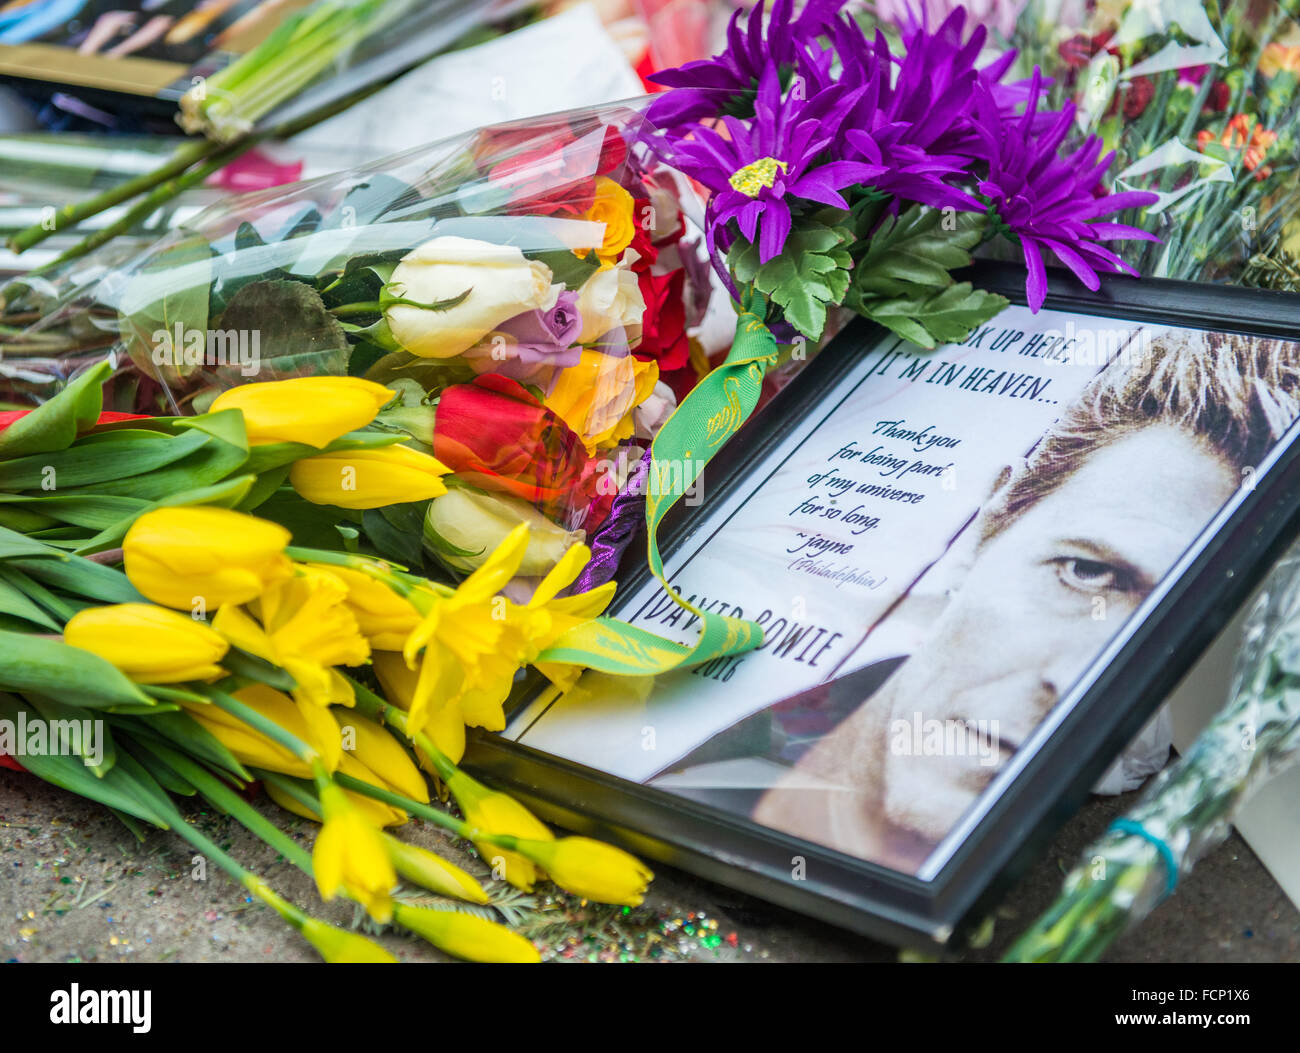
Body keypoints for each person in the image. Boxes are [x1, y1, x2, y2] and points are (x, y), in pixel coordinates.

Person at [652, 328, 1300, 872]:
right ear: (988, 522)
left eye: (1173, 628)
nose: (1079, 680)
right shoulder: (659, 756)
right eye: (1085, 572)